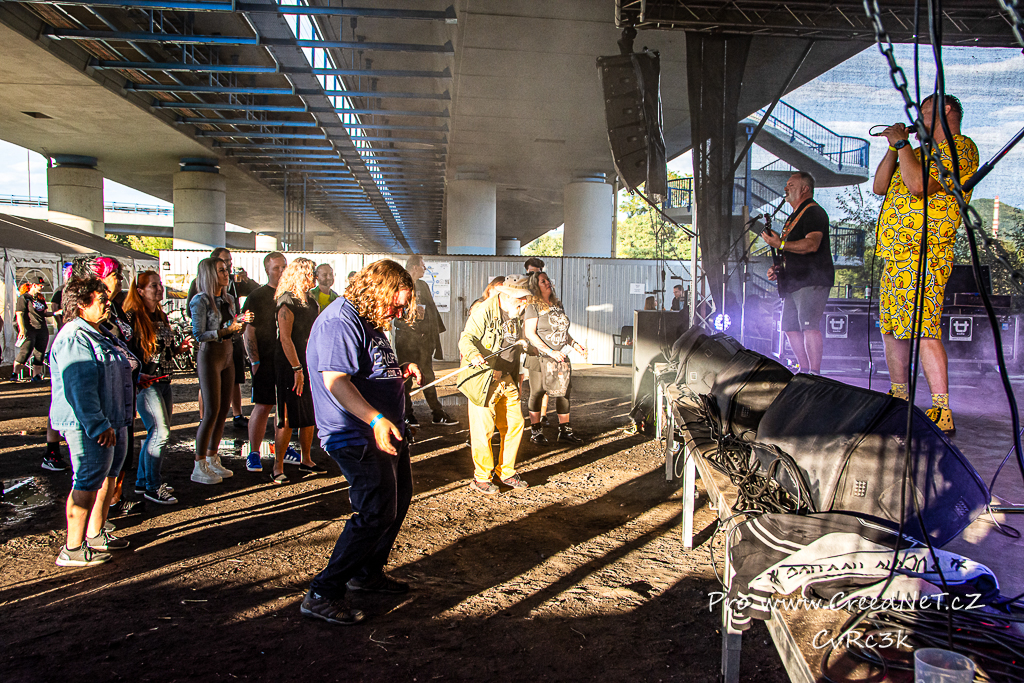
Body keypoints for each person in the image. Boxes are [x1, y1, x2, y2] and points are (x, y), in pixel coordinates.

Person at [301, 259, 422, 626]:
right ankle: (323, 592)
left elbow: (368, 370)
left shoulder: (369, 320)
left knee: (397, 501)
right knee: (375, 511)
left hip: (383, 431)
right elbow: (336, 381)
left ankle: (367, 573)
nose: (398, 313)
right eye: (396, 304)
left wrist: (399, 373)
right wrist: (375, 418)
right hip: (355, 433)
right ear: (376, 291)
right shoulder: (341, 321)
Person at [872, 94, 978, 434]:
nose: (918, 116)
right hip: (896, 256)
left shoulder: (960, 148)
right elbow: (879, 186)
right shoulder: (914, 154)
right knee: (892, 328)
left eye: (925, 110)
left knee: (923, 327)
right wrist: (896, 148)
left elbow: (919, 185)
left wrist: (903, 144)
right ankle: (899, 397)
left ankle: (941, 409)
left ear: (946, 110)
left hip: (925, 253)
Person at [49, 277, 136, 567]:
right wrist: (98, 424)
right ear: (82, 304)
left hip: (112, 418)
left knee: (108, 476)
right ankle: (73, 548)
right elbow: (79, 388)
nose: (108, 303)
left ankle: (96, 534)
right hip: (90, 424)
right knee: (87, 480)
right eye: (101, 299)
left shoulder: (99, 332)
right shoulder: (74, 337)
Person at [458, 273, 531, 495]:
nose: (524, 304)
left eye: (525, 299)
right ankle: (481, 477)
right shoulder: (484, 311)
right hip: (484, 379)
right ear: (506, 295)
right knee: (484, 430)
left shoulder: (517, 312)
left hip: (507, 377)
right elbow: (466, 338)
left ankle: (506, 472)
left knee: (514, 424)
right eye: (520, 299)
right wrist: (473, 354)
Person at [762, 171, 835, 375]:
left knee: (809, 325)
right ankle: (804, 371)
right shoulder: (794, 216)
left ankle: (815, 374)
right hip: (793, 280)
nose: (786, 188)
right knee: (789, 327)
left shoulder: (813, 212)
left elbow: (812, 244)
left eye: (791, 185)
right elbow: (790, 249)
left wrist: (780, 244)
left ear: (805, 189)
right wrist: (778, 268)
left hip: (812, 279)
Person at [190, 257, 252, 484]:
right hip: (210, 356)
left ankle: (212, 456)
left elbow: (232, 326)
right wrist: (227, 330)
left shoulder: (228, 299)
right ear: (209, 274)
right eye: (221, 270)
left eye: (226, 270)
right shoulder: (200, 300)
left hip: (228, 355)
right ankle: (199, 464)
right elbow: (199, 334)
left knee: (224, 409)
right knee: (211, 411)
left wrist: (240, 323)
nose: (226, 274)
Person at [123, 271, 182, 505]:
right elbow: (125, 350)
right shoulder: (131, 317)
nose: (159, 289)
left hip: (164, 379)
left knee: (155, 432)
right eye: (153, 286)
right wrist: (135, 375)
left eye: (160, 285)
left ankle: (143, 481)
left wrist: (179, 349)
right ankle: (153, 486)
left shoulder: (160, 314)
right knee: (160, 432)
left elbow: (165, 350)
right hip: (145, 383)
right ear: (140, 291)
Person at [241, 252, 299, 473]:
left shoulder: (292, 295)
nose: (281, 271)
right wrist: (254, 360)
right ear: (267, 270)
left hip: (286, 361)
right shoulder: (256, 297)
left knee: (284, 408)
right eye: (276, 268)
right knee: (263, 405)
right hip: (264, 359)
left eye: (284, 266)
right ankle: (254, 452)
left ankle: (281, 449)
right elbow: (249, 331)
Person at [271, 258, 327, 483]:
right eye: (310, 273)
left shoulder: (311, 301)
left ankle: (306, 459)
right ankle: (277, 466)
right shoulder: (286, 300)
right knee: (286, 415)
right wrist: (297, 368)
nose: (314, 277)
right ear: (299, 274)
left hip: (307, 361)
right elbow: (285, 338)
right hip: (289, 363)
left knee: (308, 412)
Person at [187, 247, 254, 428]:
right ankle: (203, 425)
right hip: (211, 350)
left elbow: (252, 291)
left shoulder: (230, 293)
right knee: (211, 405)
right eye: (224, 265)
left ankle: (236, 415)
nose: (229, 267)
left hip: (230, 346)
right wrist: (225, 329)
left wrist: (242, 322)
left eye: (229, 263)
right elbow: (198, 330)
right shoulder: (199, 295)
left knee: (230, 391)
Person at [523, 272, 587, 445]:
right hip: (540, 356)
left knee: (564, 392)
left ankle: (565, 431)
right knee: (538, 392)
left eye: (548, 280)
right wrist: (549, 351)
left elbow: (563, 331)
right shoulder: (533, 306)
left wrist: (575, 344)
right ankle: (536, 431)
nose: (547, 283)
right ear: (535, 285)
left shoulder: (557, 305)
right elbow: (530, 333)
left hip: (560, 356)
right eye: (542, 281)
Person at [394, 255, 456, 427]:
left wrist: (432, 334)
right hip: (406, 340)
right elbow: (396, 313)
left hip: (423, 340)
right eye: (423, 265)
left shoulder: (422, 285)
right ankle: (407, 414)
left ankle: (437, 413)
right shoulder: (399, 284)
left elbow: (430, 311)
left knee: (428, 375)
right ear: (414, 267)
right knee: (406, 376)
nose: (425, 268)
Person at [12, 280, 53, 383]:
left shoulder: (40, 298)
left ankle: (36, 375)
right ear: (34, 285)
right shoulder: (24, 298)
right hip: (30, 328)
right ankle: (15, 373)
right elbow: (19, 314)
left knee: (40, 353)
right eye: (40, 285)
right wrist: (22, 329)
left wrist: (55, 313)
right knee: (26, 351)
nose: (42, 287)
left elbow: (44, 313)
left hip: (41, 328)